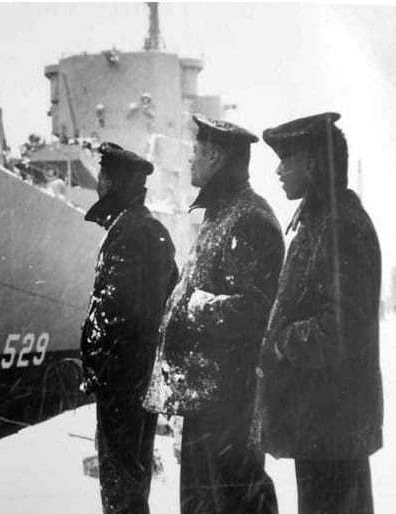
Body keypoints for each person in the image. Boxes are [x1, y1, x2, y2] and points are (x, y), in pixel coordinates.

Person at [146, 115, 282, 514]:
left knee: (236, 500)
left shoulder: (250, 219)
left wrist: (199, 308)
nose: (190, 161)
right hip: (206, 401)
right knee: (204, 504)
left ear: (216, 156)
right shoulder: (221, 215)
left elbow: (259, 311)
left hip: (229, 405)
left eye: (195, 153)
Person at [254, 112, 382, 514]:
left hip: (332, 424)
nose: (278, 169)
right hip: (324, 423)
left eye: (286, 159)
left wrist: (279, 344)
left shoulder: (340, 226)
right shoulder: (321, 222)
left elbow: (341, 328)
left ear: (312, 165)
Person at [80, 142, 178, 514]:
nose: (98, 184)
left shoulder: (129, 232)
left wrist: (100, 370)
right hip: (138, 376)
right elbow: (168, 299)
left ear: (113, 182)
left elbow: (113, 314)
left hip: (122, 382)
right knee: (132, 477)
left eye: (103, 176)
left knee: (120, 480)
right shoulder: (152, 231)